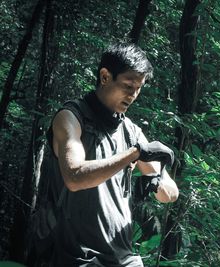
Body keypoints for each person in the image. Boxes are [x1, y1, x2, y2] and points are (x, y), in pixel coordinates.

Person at [42, 43, 179, 266]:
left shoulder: (131, 131)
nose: (134, 94)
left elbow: (169, 194)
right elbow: (74, 177)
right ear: (105, 77)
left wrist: (156, 180)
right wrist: (134, 154)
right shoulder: (71, 118)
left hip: (123, 258)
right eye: (128, 85)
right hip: (77, 257)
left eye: (139, 88)